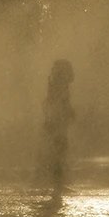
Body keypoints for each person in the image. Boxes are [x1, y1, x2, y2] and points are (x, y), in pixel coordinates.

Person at [41, 59, 76, 205]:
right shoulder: (59, 85)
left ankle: (58, 185)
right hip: (57, 122)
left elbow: (48, 102)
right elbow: (55, 103)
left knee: (58, 153)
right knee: (58, 153)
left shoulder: (57, 83)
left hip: (57, 121)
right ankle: (57, 186)